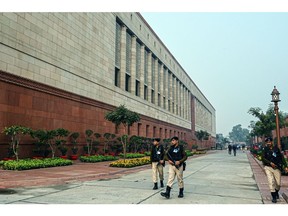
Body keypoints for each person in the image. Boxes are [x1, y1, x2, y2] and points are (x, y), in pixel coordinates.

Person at [262, 137, 288, 203]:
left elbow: (282, 158)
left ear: (272, 142)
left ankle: (276, 192)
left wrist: (285, 166)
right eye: (267, 142)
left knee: (278, 184)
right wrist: (270, 163)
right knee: (271, 181)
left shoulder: (276, 149)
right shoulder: (265, 149)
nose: (268, 143)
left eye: (269, 142)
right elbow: (263, 158)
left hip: (276, 168)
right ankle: (274, 197)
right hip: (268, 167)